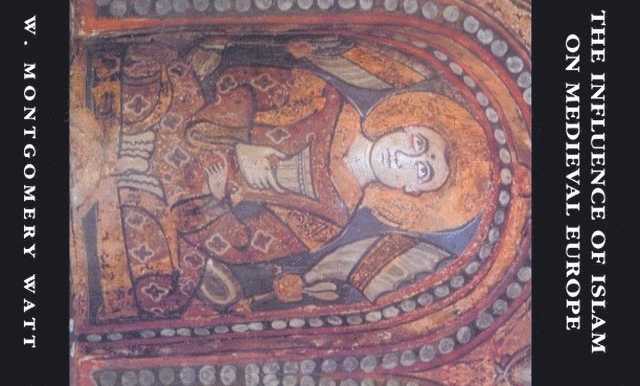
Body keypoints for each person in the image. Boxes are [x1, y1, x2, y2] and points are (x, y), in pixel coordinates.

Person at [112, 44, 492, 316]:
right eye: (419, 143)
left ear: (411, 190)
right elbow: (241, 81)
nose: (407, 158)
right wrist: (239, 136)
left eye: (421, 171)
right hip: (187, 129)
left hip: (188, 201)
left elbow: (247, 245)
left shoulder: (330, 221)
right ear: (405, 125)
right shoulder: (326, 100)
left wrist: (219, 199)